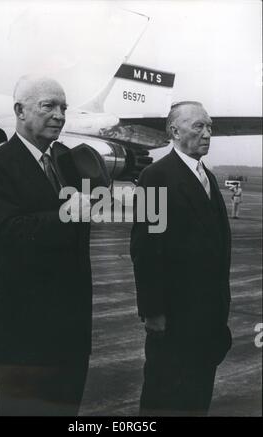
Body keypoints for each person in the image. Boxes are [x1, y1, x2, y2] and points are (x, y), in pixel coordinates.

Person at [0, 75, 93, 416]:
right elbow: (7, 232)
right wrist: (66, 215)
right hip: (20, 331)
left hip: (70, 330)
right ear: (19, 111)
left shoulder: (68, 161)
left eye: (64, 107)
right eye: (48, 106)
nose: (59, 115)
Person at [131, 101, 232, 416]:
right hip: (173, 320)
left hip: (207, 319)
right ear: (174, 131)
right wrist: (153, 312)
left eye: (209, 127)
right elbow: (145, 249)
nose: (207, 134)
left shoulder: (208, 177)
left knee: (196, 398)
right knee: (164, 400)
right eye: (198, 126)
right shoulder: (155, 176)